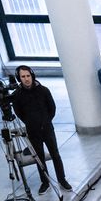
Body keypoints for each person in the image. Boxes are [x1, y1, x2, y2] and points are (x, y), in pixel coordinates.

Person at [9, 66, 72, 194]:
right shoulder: (17, 95)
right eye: (23, 77)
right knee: (39, 157)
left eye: (28, 76)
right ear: (19, 78)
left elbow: (52, 108)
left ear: (32, 76)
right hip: (33, 131)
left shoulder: (44, 90)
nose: (26, 79)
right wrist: (31, 122)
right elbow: (19, 113)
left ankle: (62, 180)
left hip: (47, 129)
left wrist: (45, 121)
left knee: (55, 155)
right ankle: (45, 182)